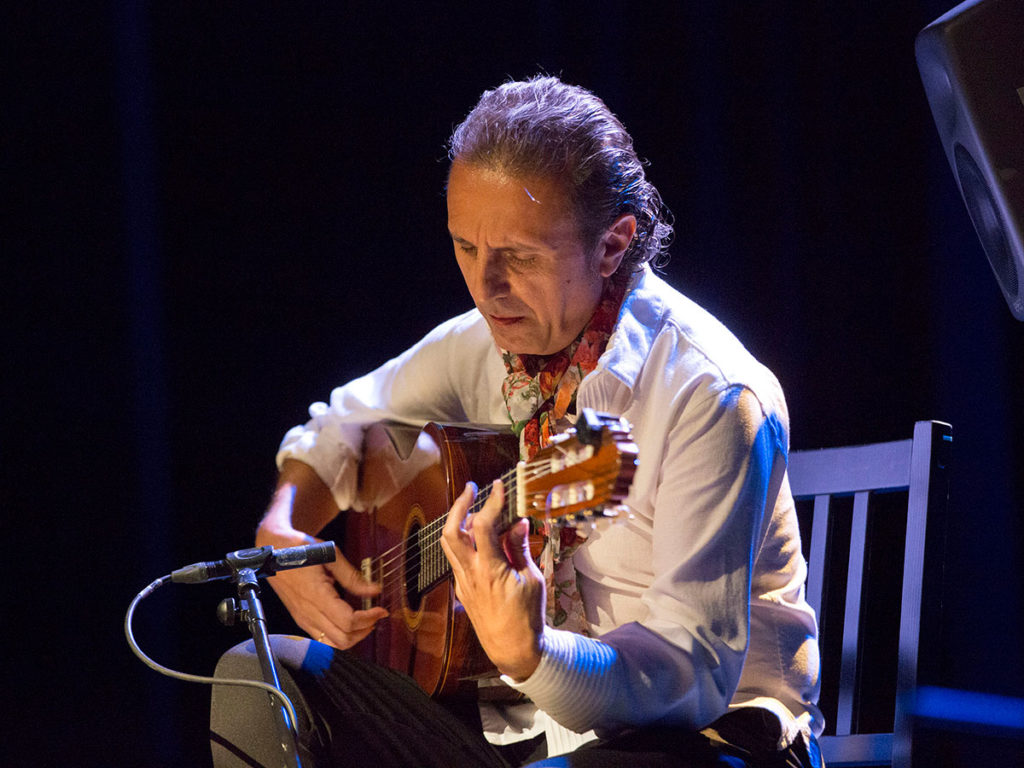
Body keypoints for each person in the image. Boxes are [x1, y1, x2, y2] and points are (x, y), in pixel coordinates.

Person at [210, 74, 823, 768]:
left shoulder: (708, 393)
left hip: (705, 739)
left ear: (614, 245)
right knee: (260, 676)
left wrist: (531, 653)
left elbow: (694, 673)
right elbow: (344, 423)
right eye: (465, 248)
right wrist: (285, 530)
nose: (484, 286)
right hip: (519, 732)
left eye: (519, 257)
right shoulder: (484, 340)